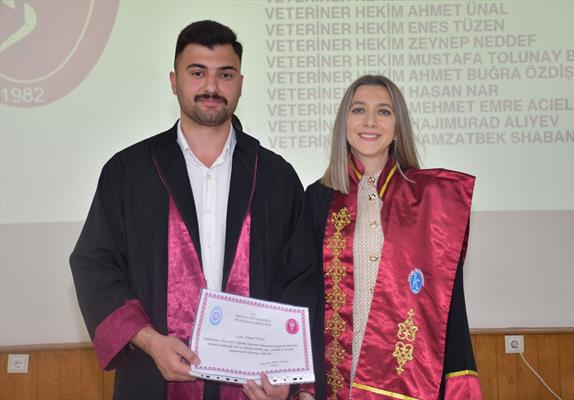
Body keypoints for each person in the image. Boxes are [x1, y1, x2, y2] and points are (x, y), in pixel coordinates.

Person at [70, 20, 316, 400]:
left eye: (225, 74)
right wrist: (150, 341)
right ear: (174, 81)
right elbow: (95, 266)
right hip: (153, 378)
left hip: (254, 387)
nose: (211, 87)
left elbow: (300, 280)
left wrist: (288, 375)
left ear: (241, 83)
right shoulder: (128, 172)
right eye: (197, 73)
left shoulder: (275, 177)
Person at [303, 75, 483, 399]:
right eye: (359, 110)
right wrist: (304, 386)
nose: (370, 121)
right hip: (335, 379)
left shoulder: (428, 200)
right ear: (344, 123)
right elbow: (305, 297)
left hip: (408, 382)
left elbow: (449, 308)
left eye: (384, 111)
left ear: (398, 127)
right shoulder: (317, 199)